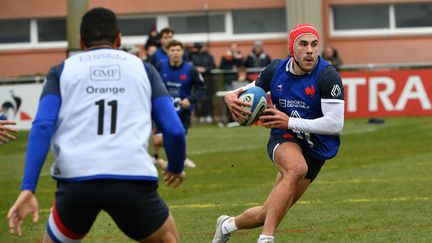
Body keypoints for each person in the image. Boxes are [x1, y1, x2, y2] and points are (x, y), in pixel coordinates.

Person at [7, 7, 186, 243]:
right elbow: (174, 129)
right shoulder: (144, 69)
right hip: (130, 177)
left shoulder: (62, 71)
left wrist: (28, 187)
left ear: (81, 42)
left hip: (76, 181)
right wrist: (174, 165)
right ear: (119, 39)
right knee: (167, 239)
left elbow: (42, 126)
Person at [212, 23, 345, 243]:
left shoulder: (328, 75)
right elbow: (249, 89)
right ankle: (266, 239)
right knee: (296, 169)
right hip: (284, 137)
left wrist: (290, 120)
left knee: (268, 212)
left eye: (314, 44)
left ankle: (226, 225)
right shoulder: (276, 70)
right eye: (303, 44)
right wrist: (230, 95)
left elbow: (335, 124)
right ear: (292, 48)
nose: (310, 50)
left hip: (315, 150)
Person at [153, 39, 206, 169]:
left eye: (178, 50)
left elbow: (202, 88)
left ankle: (181, 159)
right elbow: (152, 83)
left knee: (181, 136)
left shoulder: (191, 69)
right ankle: (176, 157)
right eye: (172, 50)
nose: (175, 53)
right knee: (159, 140)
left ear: (182, 52)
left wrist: (191, 99)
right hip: (164, 109)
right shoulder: (160, 66)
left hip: (183, 110)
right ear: (168, 52)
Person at [189, 42, 216, 123]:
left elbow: (213, 66)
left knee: (208, 98)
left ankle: (208, 115)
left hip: (208, 80)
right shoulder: (193, 55)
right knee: (198, 98)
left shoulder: (209, 56)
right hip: (197, 81)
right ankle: (200, 115)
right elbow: (190, 65)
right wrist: (197, 69)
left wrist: (205, 69)